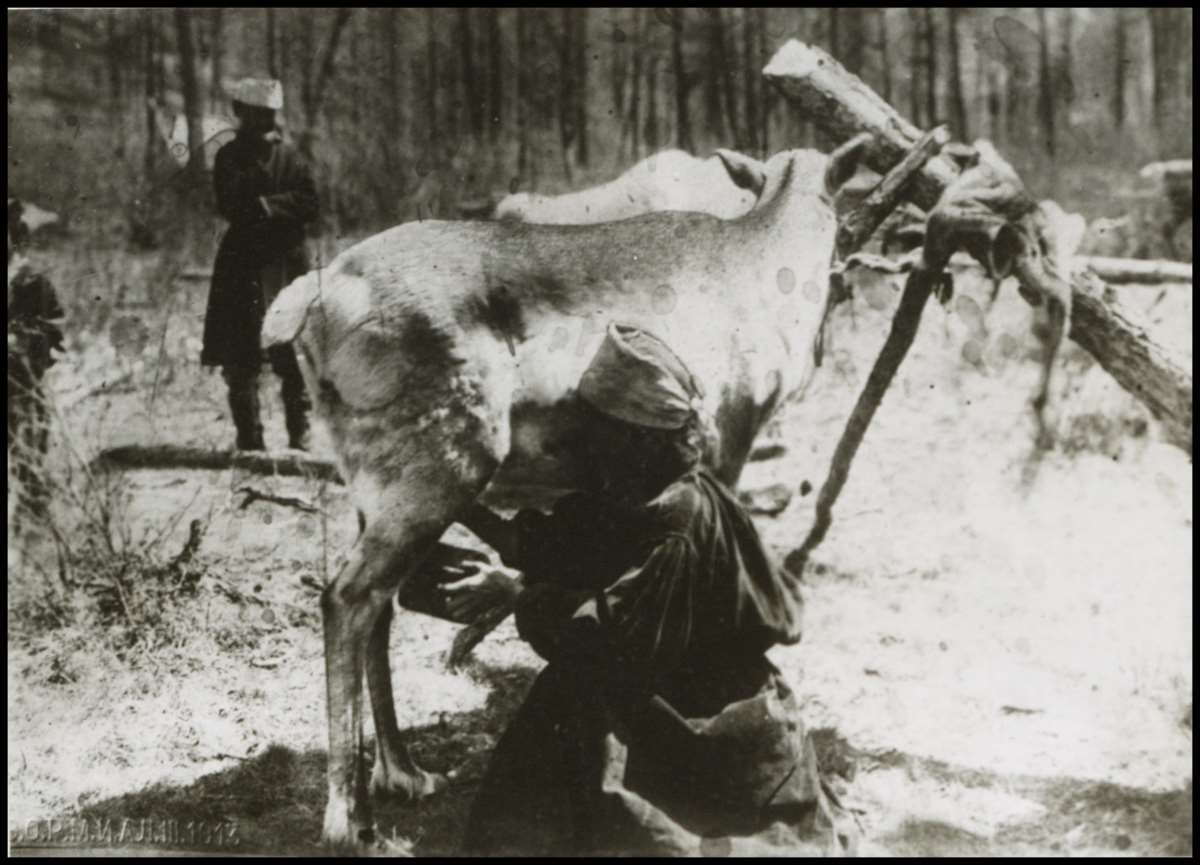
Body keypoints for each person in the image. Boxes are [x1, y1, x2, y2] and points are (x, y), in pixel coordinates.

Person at [438, 323, 860, 856]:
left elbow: (610, 638)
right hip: (670, 679)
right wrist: (462, 508)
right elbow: (569, 542)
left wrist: (517, 595)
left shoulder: (679, 515)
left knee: (583, 709)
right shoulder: (642, 487)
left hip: (708, 721)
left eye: (597, 427)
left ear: (634, 435)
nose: (583, 441)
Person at [201, 78, 319, 451]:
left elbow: (310, 203)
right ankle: (249, 439)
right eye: (257, 115)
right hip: (244, 264)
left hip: (287, 263)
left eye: (270, 115)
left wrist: (269, 207)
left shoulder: (294, 156)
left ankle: (299, 436)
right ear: (239, 113)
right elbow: (232, 204)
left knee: (294, 351)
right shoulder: (229, 157)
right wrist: (264, 184)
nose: (265, 122)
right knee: (241, 355)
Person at [8, 197, 65, 524]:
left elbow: (51, 333)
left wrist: (20, 342)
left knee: (28, 466)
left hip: (19, 387)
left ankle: (32, 533)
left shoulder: (33, 284)